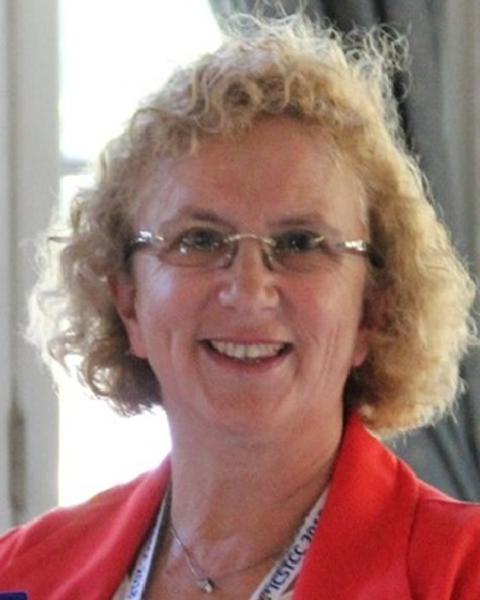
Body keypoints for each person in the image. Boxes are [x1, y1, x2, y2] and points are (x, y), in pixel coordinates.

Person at [1, 13, 479, 600]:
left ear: (372, 311)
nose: (248, 290)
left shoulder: (463, 572)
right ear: (128, 302)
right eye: (199, 240)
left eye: (301, 243)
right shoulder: (17, 573)